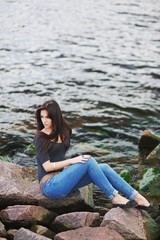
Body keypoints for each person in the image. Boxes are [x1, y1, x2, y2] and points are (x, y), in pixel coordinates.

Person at [34, 99, 151, 209]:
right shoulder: (40, 137)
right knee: (88, 161)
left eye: (48, 117)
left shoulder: (64, 131)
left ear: (56, 117)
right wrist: (72, 161)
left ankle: (137, 197)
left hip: (64, 181)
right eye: (42, 117)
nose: (44, 120)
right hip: (50, 186)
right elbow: (47, 166)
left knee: (103, 167)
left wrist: (71, 168)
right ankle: (114, 197)